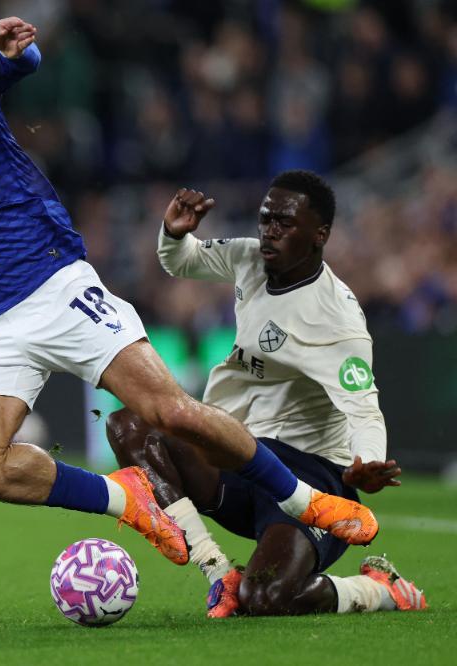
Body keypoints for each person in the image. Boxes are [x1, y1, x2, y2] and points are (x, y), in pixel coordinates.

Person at [0, 17, 378, 567]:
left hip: (55, 287)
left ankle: (305, 500)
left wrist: (16, 54)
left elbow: (9, 68)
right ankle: (125, 499)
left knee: (170, 413)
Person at [106, 171, 427, 617]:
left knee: (266, 598)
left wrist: (367, 461)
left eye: (285, 223)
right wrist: (174, 234)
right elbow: (182, 261)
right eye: (266, 218)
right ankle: (218, 572)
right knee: (130, 425)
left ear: (319, 235)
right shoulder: (249, 258)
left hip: (312, 478)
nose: (269, 231)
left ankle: (377, 590)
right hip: (241, 453)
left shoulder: (336, 322)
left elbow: (364, 409)